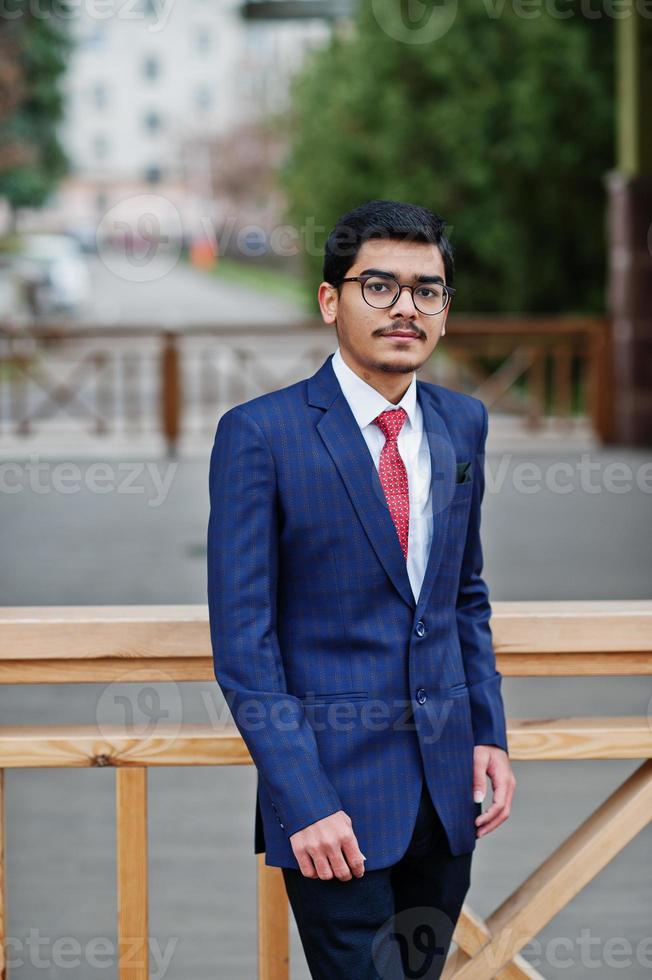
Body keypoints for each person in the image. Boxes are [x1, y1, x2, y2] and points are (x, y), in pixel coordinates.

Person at [207, 199, 516, 979]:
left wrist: (489, 731)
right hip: (331, 805)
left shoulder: (463, 424)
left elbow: (463, 595)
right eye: (378, 286)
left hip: (447, 799)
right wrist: (300, 797)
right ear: (329, 300)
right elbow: (245, 642)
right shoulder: (261, 435)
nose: (406, 307)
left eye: (427, 289)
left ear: (445, 309)